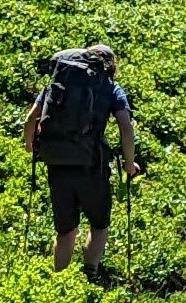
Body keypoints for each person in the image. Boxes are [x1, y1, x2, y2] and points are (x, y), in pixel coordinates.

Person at [22, 42, 141, 275]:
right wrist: (129, 163)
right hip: (91, 166)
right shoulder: (110, 88)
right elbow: (126, 127)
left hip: (57, 163)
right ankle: (90, 274)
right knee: (99, 224)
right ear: (110, 66)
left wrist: (30, 145)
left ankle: (60, 281)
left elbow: (30, 119)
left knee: (66, 230)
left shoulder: (59, 82)